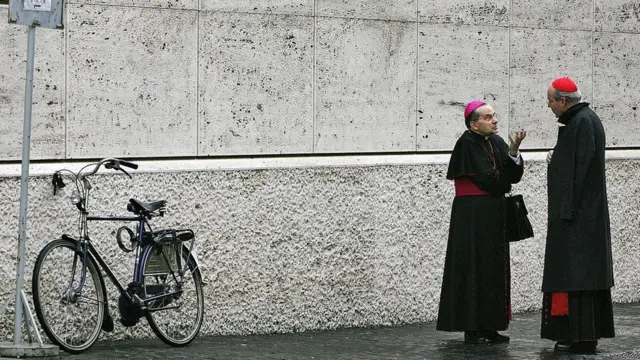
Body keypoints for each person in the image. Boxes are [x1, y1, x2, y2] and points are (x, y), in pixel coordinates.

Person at [436, 100, 527, 344]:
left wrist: (514, 152)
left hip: (494, 214)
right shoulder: (466, 145)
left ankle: (490, 326)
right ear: (473, 124)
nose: (495, 120)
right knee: (472, 268)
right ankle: (471, 327)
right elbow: (492, 180)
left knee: (494, 270)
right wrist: (505, 176)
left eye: (494, 116)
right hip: (472, 216)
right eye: (488, 117)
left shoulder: (496, 142)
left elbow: (513, 177)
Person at [542, 77, 615, 353]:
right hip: (584, 214)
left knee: (577, 276)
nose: (548, 106)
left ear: (563, 100)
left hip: (578, 216)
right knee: (579, 276)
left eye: (550, 100)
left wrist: (566, 210)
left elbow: (579, 170)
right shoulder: (585, 119)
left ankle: (580, 336)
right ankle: (581, 335)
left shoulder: (582, 122)